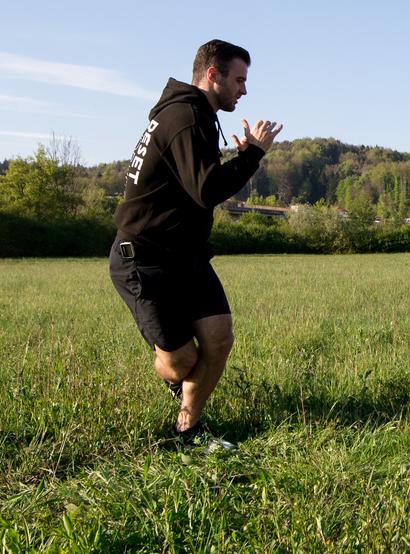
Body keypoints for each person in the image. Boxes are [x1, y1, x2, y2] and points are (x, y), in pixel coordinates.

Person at [108, 39, 283, 451]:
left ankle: (188, 430)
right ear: (212, 75)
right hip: (143, 257)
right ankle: (172, 368)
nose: (244, 90)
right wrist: (253, 154)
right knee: (181, 362)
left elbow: (195, 184)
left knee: (219, 337)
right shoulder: (186, 118)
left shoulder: (195, 115)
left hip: (183, 254)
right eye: (239, 80)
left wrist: (238, 159)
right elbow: (206, 191)